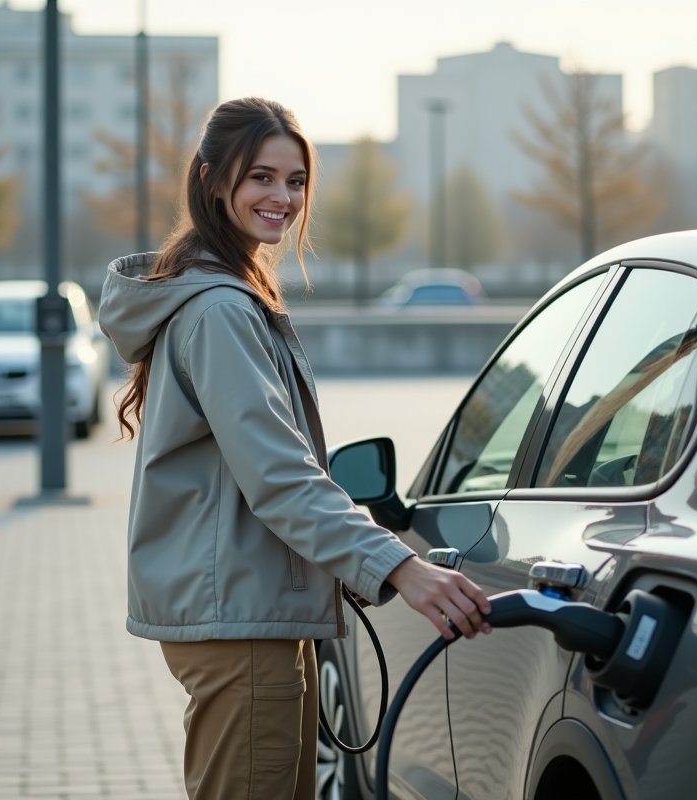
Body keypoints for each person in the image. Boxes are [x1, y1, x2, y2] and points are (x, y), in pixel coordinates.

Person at [98, 97, 492, 800]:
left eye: (296, 180)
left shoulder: (225, 295)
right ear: (213, 179)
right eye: (261, 177)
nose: (282, 197)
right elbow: (280, 477)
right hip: (241, 619)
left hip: (249, 611)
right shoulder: (220, 310)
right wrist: (400, 568)